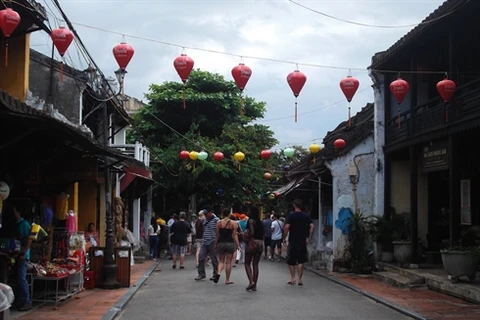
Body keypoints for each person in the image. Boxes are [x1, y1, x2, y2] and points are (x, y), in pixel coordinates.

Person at [283, 198, 315, 286]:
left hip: (293, 240)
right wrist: (309, 238)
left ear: (294, 206)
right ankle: (300, 279)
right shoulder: (306, 216)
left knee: (291, 260)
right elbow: (312, 226)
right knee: (301, 260)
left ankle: (293, 278)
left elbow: (286, 227)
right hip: (302, 241)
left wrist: (284, 238)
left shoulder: (291, 215)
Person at [12, 202, 32, 311]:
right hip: (18, 255)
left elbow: (29, 239)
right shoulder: (16, 224)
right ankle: (20, 300)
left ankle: (27, 301)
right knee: (18, 279)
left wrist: (24, 253)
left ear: (18, 211)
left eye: (14, 210)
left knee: (21, 278)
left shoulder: (24, 224)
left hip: (23, 256)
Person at [213, 209, 240, 284]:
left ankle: (218, 273)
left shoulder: (218, 223)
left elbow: (217, 235)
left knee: (221, 261)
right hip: (230, 243)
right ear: (229, 214)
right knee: (228, 262)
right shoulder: (233, 223)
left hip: (221, 243)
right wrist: (238, 245)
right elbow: (235, 235)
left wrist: (215, 244)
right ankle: (227, 279)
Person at [195, 206, 219, 281]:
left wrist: (217, 242)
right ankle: (201, 274)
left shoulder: (216, 220)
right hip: (205, 241)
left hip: (213, 241)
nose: (205, 215)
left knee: (214, 259)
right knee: (201, 257)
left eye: (206, 213)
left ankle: (215, 274)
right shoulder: (204, 220)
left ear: (210, 213)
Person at [244, 206, 263, 291]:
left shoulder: (251, 220)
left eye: (248, 210)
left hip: (252, 243)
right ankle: (255, 285)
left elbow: (252, 232)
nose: (247, 212)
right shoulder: (260, 222)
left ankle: (251, 281)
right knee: (255, 264)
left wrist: (246, 233)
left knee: (247, 263)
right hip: (260, 243)